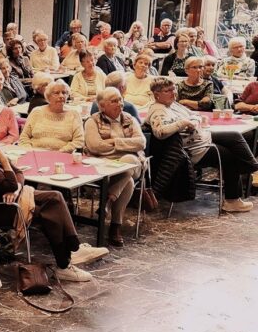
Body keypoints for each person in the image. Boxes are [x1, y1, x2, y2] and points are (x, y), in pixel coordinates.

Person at [0, 117, 107, 279]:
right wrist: (3, 161)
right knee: (50, 211)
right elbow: (10, 183)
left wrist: (16, 189)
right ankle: (66, 262)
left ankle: (72, 253)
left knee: (55, 198)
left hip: (12, 199)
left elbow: (19, 173)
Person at [148, 77, 258, 212]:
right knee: (230, 157)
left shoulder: (173, 104)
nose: (173, 93)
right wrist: (184, 123)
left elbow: (195, 115)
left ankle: (251, 167)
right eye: (167, 91)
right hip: (194, 149)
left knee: (234, 136)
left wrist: (193, 121)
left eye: (173, 89)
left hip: (203, 138)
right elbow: (160, 132)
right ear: (157, 95)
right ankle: (233, 200)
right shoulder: (158, 110)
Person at [84, 88, 146, 246]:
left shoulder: (130, 119)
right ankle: (115, 225)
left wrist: (113, 142)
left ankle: (108, 200)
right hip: (104, 165)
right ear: (102, 106)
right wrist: (125, 145)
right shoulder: (92, 121)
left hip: (133, 164)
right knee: (128, 181)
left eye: (120, 99)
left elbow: (141, 143)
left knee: (129, 160)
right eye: (114, 101)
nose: (119, 103)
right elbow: (95, 146)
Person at [19, 81, 84, 152]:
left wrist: (62, 151)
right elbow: (24, 137)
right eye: (56, 93)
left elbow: (79, 140)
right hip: (34, 153)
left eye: (64, 93)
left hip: (62, 154)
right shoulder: (36, 112)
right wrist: (29, 151)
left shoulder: (74, 114)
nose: (61, 96)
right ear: (48, 96)